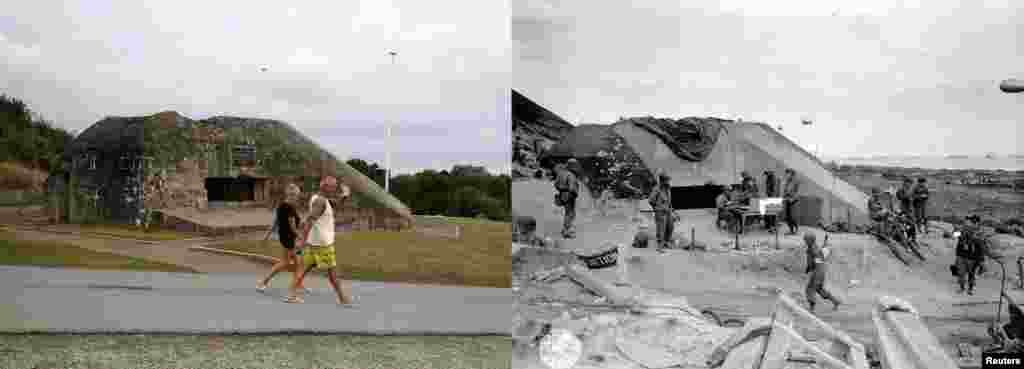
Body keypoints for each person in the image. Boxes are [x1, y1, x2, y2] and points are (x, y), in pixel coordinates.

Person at [284, 175, 354, 306]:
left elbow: (334, 204)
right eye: (333, 187)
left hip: (316, 242)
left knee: (303, 269)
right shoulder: (320, 201)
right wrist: (301, 242)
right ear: (325, 187)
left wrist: (345, 195)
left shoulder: (319, 199)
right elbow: (310, 220)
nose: (334, 189)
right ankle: (343, 298)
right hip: (323, 244)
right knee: (332, 272)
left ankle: (291, 294)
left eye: (335, 187)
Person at [257, 183, 307, 292]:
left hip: (285, 237)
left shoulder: (281, 206)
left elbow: (275, 223)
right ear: (291, 195)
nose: (297, 198)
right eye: (297, 195)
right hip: (289, 238)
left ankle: (298, 284)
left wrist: (266, 236)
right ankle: (263, 282)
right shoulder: (289, 207)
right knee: (285, 262)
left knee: (298, 262)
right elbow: (292, 227)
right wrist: (302, 238)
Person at [955, 215, 994, 295]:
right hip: (961, 255)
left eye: (975, 222)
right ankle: (962, 287)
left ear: (978, 223)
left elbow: (982, 246)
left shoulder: (980, 232)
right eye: (972, 222)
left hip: (973, 257)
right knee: (961, 273)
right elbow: (955, 235)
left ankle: (970, 288)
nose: (973, 224)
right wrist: (958, 231)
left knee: (971, 274)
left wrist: (981, 260)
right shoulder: (963, 229)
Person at [804, 232, 841, 312]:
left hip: (817, 271)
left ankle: (812, 308)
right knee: (819, 289)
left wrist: (808, 268)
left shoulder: (811, 249)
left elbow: (812, 261)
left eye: (806, 240)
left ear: (810, 240)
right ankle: (835, 301)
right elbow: (821, 256)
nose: (805, 242)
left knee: (810, 289)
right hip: (821, 270)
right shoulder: (816, 247)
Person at [649, 171, 674, 252]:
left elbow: (669, 200)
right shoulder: (657, 189)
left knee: (670, 226)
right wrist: (656, 209)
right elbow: (651, 200)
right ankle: (660, 246)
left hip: (668, 211)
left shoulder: (668, 188)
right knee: (661, 229)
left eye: (668, 180)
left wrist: (671, 209)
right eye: (666, 180)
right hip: (660, 212)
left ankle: (667, 242)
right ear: (662, 180)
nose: (668, 181)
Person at [554, 161, 580, 239]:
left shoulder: (561, 174)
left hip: (562, 194)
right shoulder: (570, 175)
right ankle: (567, 230)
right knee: (570, 213)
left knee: (568, 212)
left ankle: (565, 229)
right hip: (569, 194)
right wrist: (572, 192)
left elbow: (556, 184)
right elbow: (572, 186)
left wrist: (562, 190)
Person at [782, 169, 801, 235]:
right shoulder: (787, 181)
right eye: (786, 174)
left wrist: (793, 198)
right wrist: (784, 197)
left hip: (793, 200)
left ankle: (795, 228)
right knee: (787, 217)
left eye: (788, 173)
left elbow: (797, 192)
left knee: (792, 216)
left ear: (792, 174)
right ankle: (791, 229)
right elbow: (785, 191)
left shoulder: (796, 181)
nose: (787, 175)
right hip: (787, 200)